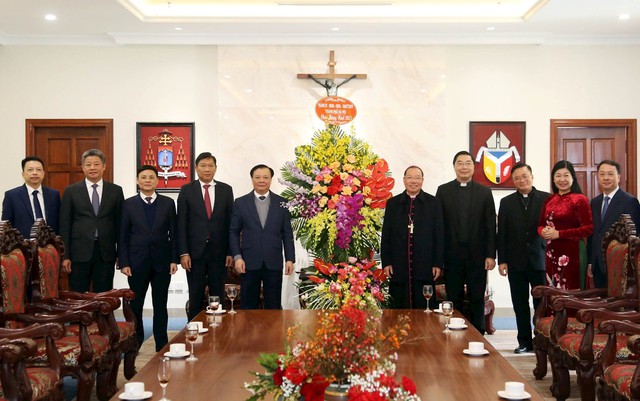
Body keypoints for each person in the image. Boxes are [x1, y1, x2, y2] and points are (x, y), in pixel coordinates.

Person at [435, 150, 496, 334]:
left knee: (477, 297)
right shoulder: (443, 191)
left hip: (477, 256)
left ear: (473, 166)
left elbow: (490, 225)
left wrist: (491, 255)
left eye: (468, 163)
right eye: (460, 163)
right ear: (454, 167)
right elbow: (438, 226)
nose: (464, 167)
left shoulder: (484, 192)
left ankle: (478, 333)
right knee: (454, 297)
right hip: (451, 255)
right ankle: (454, 331)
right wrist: (438, 257)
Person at [119, 165, 178, 351]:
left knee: (160, 304)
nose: (147, 180)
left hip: (162, 262)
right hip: (136, 263)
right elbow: (122, 235)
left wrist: (174, 259)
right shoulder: (128, 204)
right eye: (143, 177)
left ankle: (161, 343)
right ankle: (136, 342)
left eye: (151, 177)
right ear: (138, 181)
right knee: (136, 305)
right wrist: (124, 262)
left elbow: (174, 234)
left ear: (157, 181)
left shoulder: (168, 203)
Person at [497, 163, 549, 353]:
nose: (521, 180)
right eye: (517, 178)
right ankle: (525, 341)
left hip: (540, 259)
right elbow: (502, 233)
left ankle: (541, 341)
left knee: (541, 304)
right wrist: (502, 260)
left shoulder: (547, 199)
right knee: (520, 303)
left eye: (524, 176)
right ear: (513, 181)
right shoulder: (506, 202)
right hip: (515, 260)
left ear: (532, 176)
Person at [229, 164, 295, 309]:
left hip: (273, 261)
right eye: (257, 177)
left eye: (265, 177)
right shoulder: (240, 203)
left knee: (273, 306)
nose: (261, 180)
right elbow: (233, 232)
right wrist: (237, 257)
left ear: (271, 179)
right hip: (248, 261)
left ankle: (273, 326)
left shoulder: (282, 203)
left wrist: (290, 259)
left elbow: (287, 233)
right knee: (248, 306)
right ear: (252, 179)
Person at [177, 152, 234, 321]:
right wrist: (183, 253)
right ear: (196, 168)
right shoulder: (187, 190)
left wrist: (230, 252)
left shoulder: (226, 190)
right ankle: (193, 328)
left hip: (219, 252)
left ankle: (219, 330)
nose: (207, 169)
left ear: (216, 168)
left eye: (210, 166)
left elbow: (230, 223)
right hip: (194, 253)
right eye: (203, 166)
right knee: (195, 295)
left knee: (218, 295)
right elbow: (181, 224)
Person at [59, 149, 124, 293]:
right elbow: (65, 225)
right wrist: (65, 256)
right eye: (88, 164)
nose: (92, 168)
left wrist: (121, 254)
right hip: (78, 252)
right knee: (77, 294)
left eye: (96, 164)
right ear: (83, 167)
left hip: (105, 252)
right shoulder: (71, 191)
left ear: (104, 166)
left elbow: (120, 225)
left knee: (104, 295)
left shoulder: (115, 191)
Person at [380, 165, 444, 309]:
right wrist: (387, 262)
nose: (413, 181)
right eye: (410, 177)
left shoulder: (433, 203)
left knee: (424, 306)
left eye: (417, 178)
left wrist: (437, 263)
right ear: (404, 180)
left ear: (422, 180)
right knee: (399, 304)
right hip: (399, 264)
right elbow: (386, 235)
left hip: (425, 264)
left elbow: (439, 235)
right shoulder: (393, 203)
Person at [538, 160, 593, 290]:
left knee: (571, 292)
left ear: (573, 178)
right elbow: (540, 225)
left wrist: (559, 234)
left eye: (566, 175)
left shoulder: (580, 199)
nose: (562, 179)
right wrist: (542, 231)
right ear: (553, 179)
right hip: (552, 253)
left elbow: (588, 229)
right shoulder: (549, 200)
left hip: (573, 253)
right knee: (553, 292)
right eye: (558, 176)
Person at [588, 160, 640, 288]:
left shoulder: (629, 201)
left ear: (619, 177)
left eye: (610, 174)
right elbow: (593, 234)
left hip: (620, 265)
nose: (606, 178)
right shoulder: (594, 202)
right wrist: (590, 261)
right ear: (598, 177)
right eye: (602, 174)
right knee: (598, 298)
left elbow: (634, 236)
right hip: (597, 264)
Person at [2, 156, 61, 237]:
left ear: (43, 173)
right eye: (30, 170)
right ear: (23, 174)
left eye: (38, 170)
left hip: (49, 242)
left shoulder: (53, 195)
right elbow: (6, 226)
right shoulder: (11, 196)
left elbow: (59, 222)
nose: (35, 173)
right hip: (22, 243)